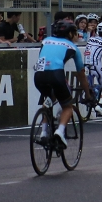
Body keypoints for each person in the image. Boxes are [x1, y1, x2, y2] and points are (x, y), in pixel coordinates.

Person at [33, 19, 92, 150]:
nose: (77, 36)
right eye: (76, 33)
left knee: (49, 99)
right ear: (70, 34)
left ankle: (43, 133)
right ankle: (60, 131)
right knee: (67, 105)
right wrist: (87, 94)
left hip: (39, 75)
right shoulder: (73, 48)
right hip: (56, 75)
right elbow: (81, 75)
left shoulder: (45, 41)